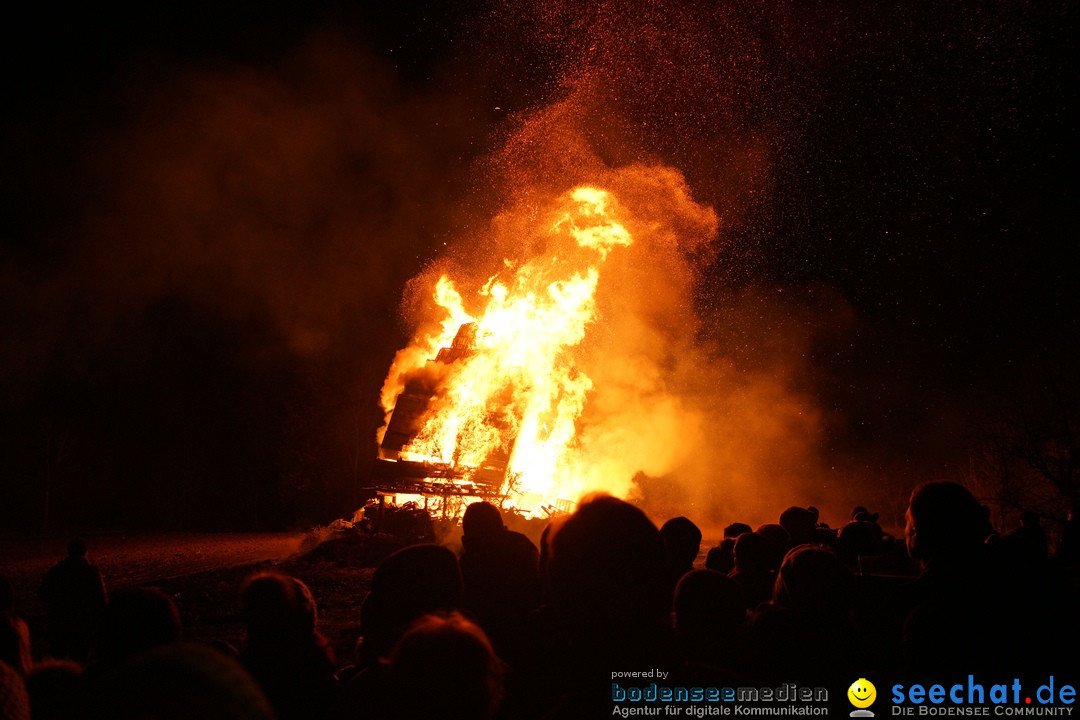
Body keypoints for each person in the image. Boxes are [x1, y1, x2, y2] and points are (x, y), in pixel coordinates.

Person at [39, 539, 107, 662]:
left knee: (59, 658)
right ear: (86, 552)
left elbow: (43, 594)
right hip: (83, 625)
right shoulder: (91, 572)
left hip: (60, 623)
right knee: (79, 659)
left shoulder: (57, 570)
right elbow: (101, 599)